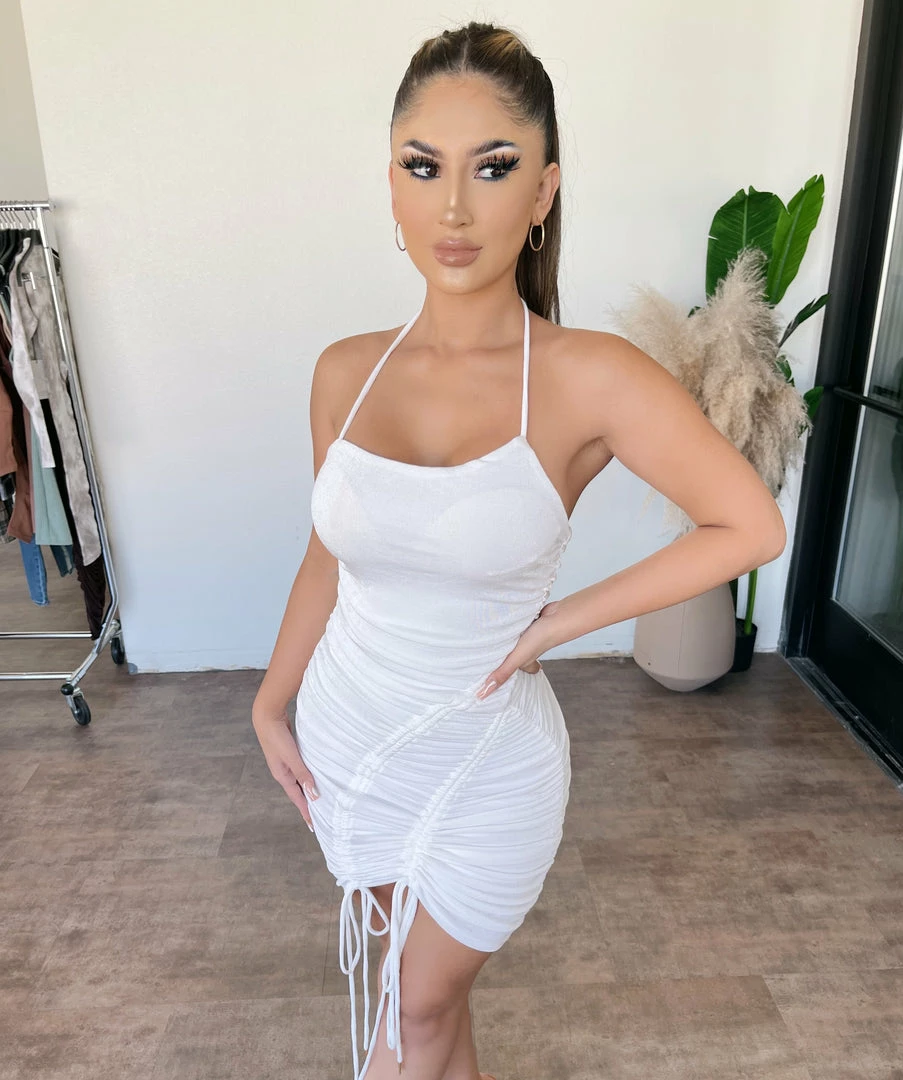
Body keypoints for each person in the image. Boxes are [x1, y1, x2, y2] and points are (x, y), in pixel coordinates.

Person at [251, 20, 786, 1080]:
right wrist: (272, 700)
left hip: (485, 756)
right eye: (423, 167)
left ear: (543, 192)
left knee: (415, 1008)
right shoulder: (343, 371)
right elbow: (329, 551)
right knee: (424, 1011)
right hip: (353, 738)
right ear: (391, 185)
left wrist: (561, 622)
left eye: (492, 168)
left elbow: (750, 525)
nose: (453, 208)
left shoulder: (591, 376)